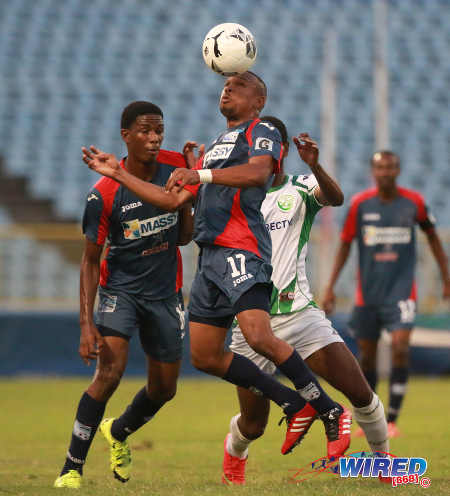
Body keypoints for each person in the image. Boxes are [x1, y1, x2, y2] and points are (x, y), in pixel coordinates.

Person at [82, 72, 352, 463]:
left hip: (240, 246)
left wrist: (201, 173)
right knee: (205, 356)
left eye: (239, 86)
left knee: (259, 335)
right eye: (226, 85)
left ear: (258, 101)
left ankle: (328, 410)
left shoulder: (262, 130)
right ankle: (295, 403)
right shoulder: (215, 147)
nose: (227, 88)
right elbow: (173, 202)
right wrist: (119, 174)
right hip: (208, 257)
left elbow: (260, 172)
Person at [221, 116, 390, 485]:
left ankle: (384, 466)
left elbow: (335, 197)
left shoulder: (300, 187)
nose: (254, 153)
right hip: (250, 324)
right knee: (253, 424)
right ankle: (234, 454)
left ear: (278, 151)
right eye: (250, 148)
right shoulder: (235, 199)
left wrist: (315, 164)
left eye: (263, 146)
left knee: (360, 393)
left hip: (300, 316)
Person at [54, 101, 193, 489]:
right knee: (109, 373)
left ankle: (119, 431)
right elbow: (89, 261)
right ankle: (71, 468)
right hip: (122, 292)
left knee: (165, 389)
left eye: (159, 130)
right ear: (125, 136)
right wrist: (86, 323)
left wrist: (187, 199)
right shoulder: (103, 195)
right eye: (146, 130)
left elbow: (184, 237)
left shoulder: (175, 165)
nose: (154, 138)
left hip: (166, 293)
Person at [322, 150, 450, 438]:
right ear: (373, 172)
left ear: (398, 170)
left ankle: (392, 419)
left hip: (402, 292)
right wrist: (330, 287)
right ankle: (371, 419)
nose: (385, 173)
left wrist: (446, 277)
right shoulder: (360, 205)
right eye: (380, 168)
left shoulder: (414, 203)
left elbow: (433, 239)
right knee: (367, 358)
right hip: (368, 295)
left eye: (390, 167)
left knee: (401, 348)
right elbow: (344, 246)